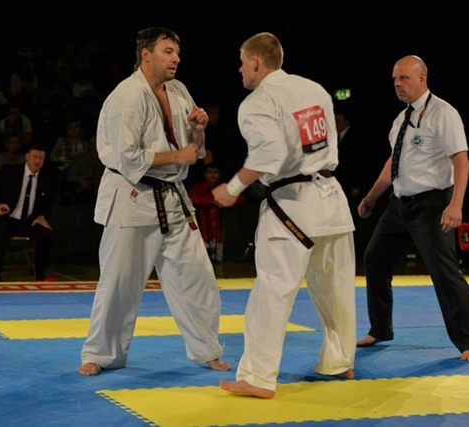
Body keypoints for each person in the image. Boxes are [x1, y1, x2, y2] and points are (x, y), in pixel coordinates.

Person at [78, 27, 230, 377]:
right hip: (132, 197)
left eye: (177, 52)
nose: (176, 58)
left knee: (198, 277)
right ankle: (99, 353)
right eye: (168, 51)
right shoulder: (126, 97)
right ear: (146, 55)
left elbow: (194, 149)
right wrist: (180, 154)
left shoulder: (178, 90)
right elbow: (127, 157)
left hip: (173, 197)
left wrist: (198, 130)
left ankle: (207, 349)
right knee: (119, 281)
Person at [213, 32, 357, 399]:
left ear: (256, 62)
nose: (240, 70)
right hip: (332, 197)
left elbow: (269, 155)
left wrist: (232, 188)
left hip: (293, 203)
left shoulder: (258, 101)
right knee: (336, 288)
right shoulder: (315, 89)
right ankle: (340, 361)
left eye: (242, 62)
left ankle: (258, 376)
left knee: (272, 291)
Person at [355, 55, 469, 362]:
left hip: (433, 205)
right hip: (399, 205)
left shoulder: (443, 113)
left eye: (404, 78)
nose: (397, 84)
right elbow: (394, 162)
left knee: (444, 272)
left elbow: (461, 160)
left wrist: (456, 204)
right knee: (374, 259)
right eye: (394, 79)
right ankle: (380, 328)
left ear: (422, 78)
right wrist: (372, 197)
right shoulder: (400, 120)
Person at [0, 143, 55, 282]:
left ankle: (40, 275)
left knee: (46, 236)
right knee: (0, 236)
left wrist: (42, 217)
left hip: (29, 220)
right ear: (27, 157)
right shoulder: (9, 172)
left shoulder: (47, 178)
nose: (37, 161)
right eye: (35, 157)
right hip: (7, 218)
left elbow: (49, 203)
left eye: (41, 158)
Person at [188, 162, 245, 262]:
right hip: (202, 229)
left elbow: (241, 198)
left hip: (219, 232)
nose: (213, 175)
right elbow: (191, 197)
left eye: (215, 172)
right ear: (205, 175)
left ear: (220, 174)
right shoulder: (199, 188)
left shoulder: (225, 187)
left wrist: (226, 200)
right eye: (210, 172)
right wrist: (213, 201)